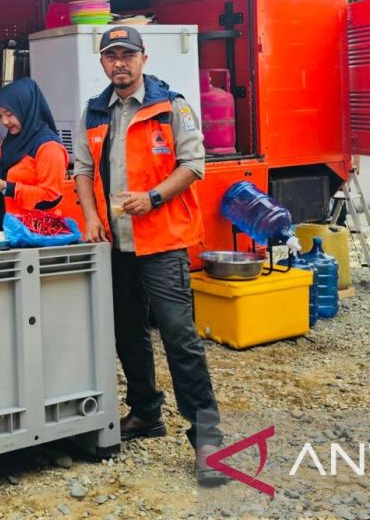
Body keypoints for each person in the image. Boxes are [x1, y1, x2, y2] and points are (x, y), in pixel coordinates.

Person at [71, 26, 226, 487]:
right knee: (127, 332)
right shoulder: (94, 112)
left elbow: (194, 165)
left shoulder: (171, 106)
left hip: (162, 240)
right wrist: (91, 216)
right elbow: (80, 170)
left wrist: (154, 198)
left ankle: (207, 439)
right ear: (102, 63)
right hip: (114, 243)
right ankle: (144, 412)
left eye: (127, 55)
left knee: (180, 337)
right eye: (111, 56)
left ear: (143, 58)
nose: (119, 63)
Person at [0, 77, 69, 227]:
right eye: (0, 116)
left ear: (25, 108)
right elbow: (10, 175)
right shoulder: (11, 141)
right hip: (10, 229)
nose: (4, 121)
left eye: (9, 114)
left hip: (37, 234)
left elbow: (51, 196)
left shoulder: (48, 146)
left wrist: (6, 187)